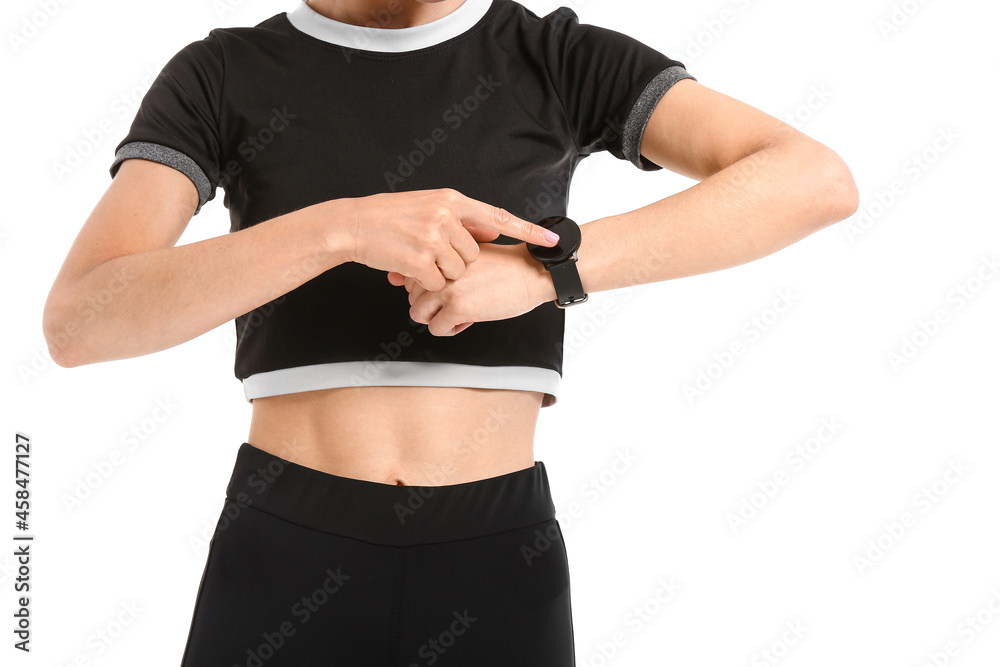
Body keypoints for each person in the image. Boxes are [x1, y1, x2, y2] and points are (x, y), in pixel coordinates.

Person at [42, 0, 859, 664]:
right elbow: (81, 320)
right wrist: (340, 230)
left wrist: (548, 270)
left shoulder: (557, 56)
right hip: (285, 548)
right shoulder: (220, 73)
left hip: (497, 555)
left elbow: (812, 179)